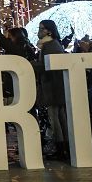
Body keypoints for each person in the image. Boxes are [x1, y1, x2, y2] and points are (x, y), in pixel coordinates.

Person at [35, 20, 67, 160]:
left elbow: (46, 66)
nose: (39, 31)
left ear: (49, 31)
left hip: (53, 86)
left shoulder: (49, 45)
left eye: (41, 28)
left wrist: (30, 64)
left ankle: (61, 148)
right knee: (60, 117)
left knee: (55, 117)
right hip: (55, 85)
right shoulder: (51, 44)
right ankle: (64, 146)